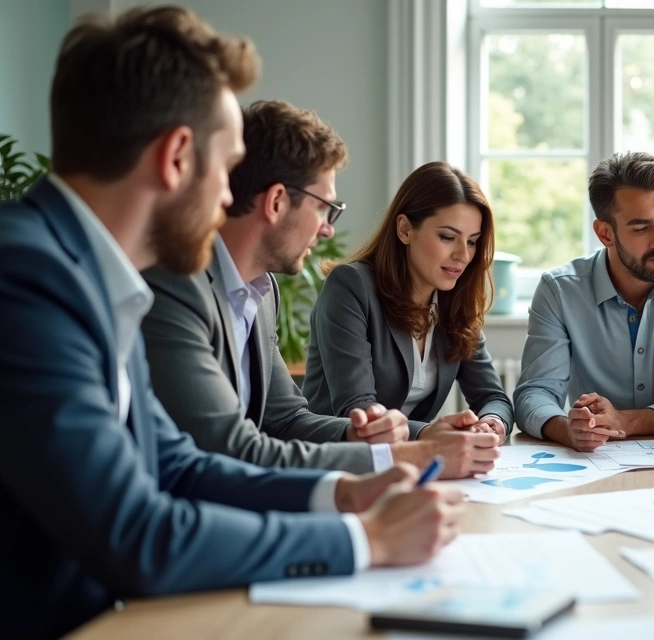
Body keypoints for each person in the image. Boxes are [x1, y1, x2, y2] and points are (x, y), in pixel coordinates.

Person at [0, 9, 463, 638]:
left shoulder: (96, 275)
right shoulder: (27, 277)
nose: (228, 196)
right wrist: (364, 540)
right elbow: (136, 533)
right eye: (226, 166)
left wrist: (342, 496)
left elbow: (180, 465)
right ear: (177, 157)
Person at [142, 100, 489, 477]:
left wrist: (362, 435)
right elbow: (231, 446)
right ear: (276, 202)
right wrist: (414, 455)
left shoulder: (262, 293)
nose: (328, 230)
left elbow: (286, 418)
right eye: (325, 208)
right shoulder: (177, 287)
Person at [512, 152, 654, 452]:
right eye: (642, 228)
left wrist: (625, 421)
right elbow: (534, 394)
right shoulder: (560, 292)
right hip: (595, 461)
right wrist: (570, 429)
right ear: (605, 233)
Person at [303, 161, 509, 474]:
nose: (463, 255)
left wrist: (490, 424)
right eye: (447, 237)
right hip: (340, 466)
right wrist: (430, 435)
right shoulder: (351, 287)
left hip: (409, 468)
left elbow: (493, 396)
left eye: (471, 241)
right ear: (404, 229)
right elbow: (358, 411)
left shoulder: (454, 301)